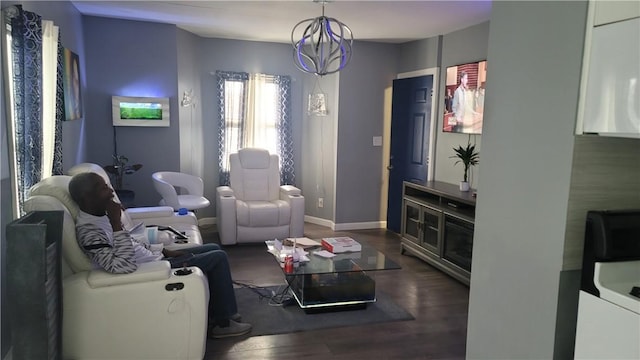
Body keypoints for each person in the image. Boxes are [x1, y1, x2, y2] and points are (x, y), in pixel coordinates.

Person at [68, 172, 251, 338]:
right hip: (152, 270)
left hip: (156, 258)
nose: (110, 192)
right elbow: (123, 266)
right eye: (103, 188)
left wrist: (163, 250)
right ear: (87, 198)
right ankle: (223, 324)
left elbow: (132, 242)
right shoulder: (89, 231)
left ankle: (224, 311)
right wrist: (116, 223)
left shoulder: (101, 216)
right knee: (217, 258)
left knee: (213, 248)